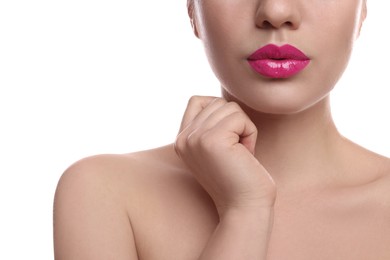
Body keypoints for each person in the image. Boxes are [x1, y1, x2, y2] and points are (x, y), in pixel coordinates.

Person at [53, 0, 390, 259]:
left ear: (362, 9)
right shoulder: (105, 193)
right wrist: (245, 213)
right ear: (192, 9)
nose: (275, 11)